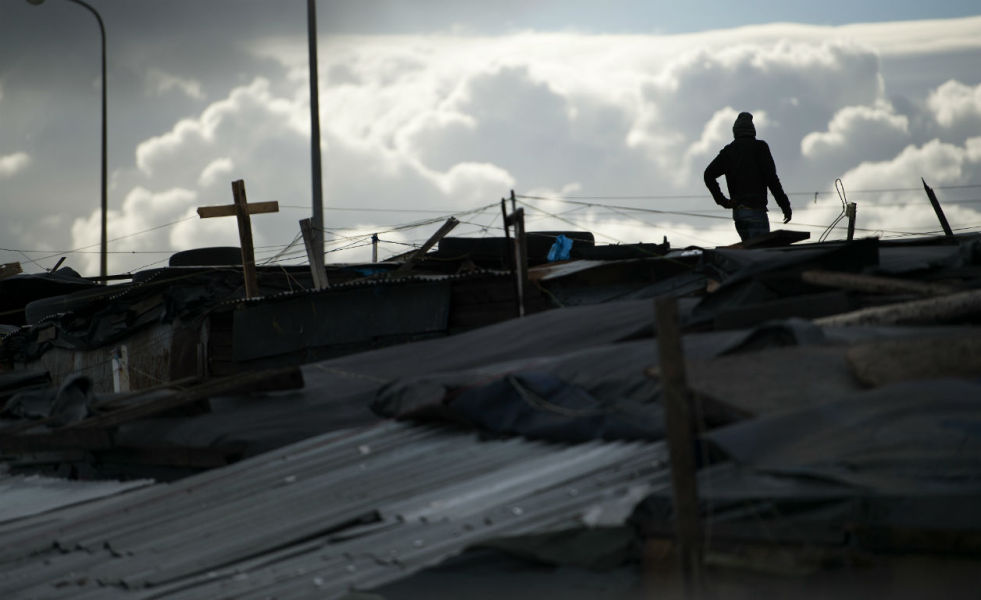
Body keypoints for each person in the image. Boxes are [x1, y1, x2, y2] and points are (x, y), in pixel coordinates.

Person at [703, 112, 792, 241]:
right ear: (753, 130)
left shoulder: (729, 151)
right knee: (762, 254)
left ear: (735, 132)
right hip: (756, 211)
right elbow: (772, 180)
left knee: (750, 255)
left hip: (739, 214)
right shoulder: (760, 147)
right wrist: (785, 205)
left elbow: (708, 175)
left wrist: (723, 202)